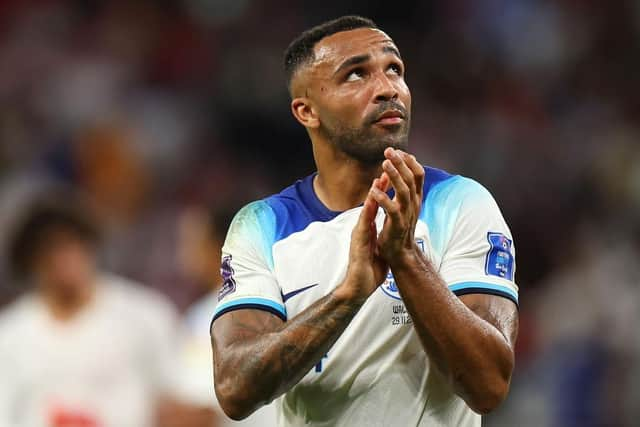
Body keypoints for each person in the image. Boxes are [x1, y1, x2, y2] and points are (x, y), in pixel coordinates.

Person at [211, 16, 519, 427]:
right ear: (307, 111)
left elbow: (489, 385)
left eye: (395, 70)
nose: (388, 88)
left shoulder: (460, 203)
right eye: (356, 74)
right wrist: (348, 295)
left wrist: (406, 259)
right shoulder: (261, 226)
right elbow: (235, 389)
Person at [0, 195, 202, 427]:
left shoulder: (145, 314)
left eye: (70, 242)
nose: (61, 258)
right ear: (29, 261)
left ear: (90, 244)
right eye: (47, 249)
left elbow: (182, 397)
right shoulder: (9, 335)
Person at [175, 206, 277, 426]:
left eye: (194, 243)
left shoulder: (211, 314)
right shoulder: (280, 295)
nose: (186, 255)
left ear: (222, 246)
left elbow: (201, 410)